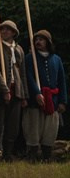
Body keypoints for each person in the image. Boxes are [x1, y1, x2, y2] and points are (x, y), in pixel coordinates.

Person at [20, 29, 67, 162]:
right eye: (36, 39)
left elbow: (61, 80)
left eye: (41, 39)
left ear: (48, 42)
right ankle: (32, 157)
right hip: (34, 102)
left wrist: (63, 101)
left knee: (50, 130)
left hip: (53, 100)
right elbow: (28, 77)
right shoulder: (30, 58)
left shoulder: (56, 59)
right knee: (33, 129)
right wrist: (37, 93)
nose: (38, 41)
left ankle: (46, 157)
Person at [0, 19, 27, 163]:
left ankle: (7, 155)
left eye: (8, 29)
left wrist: (24, 95)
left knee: (13, 127)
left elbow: (22, 73)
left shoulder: (19, 49)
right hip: (0, 92)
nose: (4, 31)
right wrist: (4, 90)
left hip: (16, 92)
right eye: (2, 29)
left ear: (14, 33)